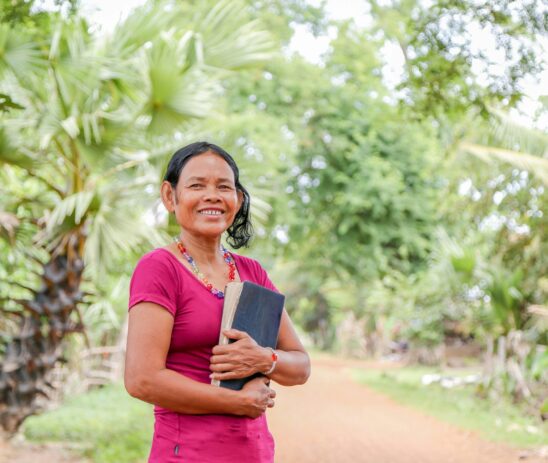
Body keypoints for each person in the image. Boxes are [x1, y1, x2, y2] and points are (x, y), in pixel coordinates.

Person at [124, 141, 311, 463]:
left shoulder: (252, 273)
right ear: (170, 196)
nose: (212, 195)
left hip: (254, 452)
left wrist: (265, 359)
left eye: (224, 187)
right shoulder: (159, 268)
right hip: (187, 454)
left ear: (237, 199)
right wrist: (236, 402)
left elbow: (300, 366)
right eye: (197, 185)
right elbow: (142, 379)